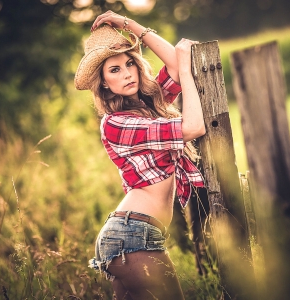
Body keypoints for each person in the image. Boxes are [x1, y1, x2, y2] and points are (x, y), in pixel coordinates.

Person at [74, 10, 206, 299]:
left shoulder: (149, 105)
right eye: (114, 70)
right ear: (104, 83)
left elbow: (173, 63)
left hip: (138, 234)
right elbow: (194, 126)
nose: (127, 73)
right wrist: (186, 70)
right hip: (131, 235)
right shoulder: (116, 123)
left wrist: (129, 24)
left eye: (129, 63)